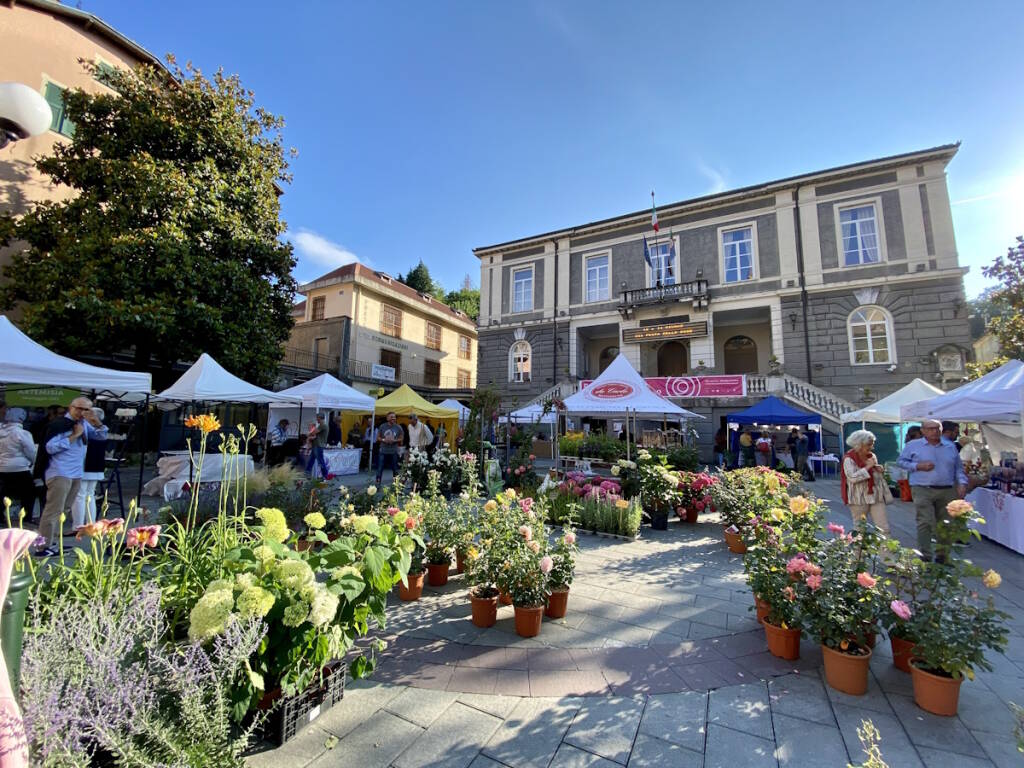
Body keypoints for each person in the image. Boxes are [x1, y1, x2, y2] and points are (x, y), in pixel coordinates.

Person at [35, 396, 107, 556]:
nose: (81, 412)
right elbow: (50, 447)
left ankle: (51, 542)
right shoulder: (60, 424)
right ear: (70, 407)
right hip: (60, 472)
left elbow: (101, 437)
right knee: (53, 510)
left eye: (86, 409)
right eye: (78, 408)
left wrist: (97, 423)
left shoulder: (84, 424)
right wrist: (74, 436)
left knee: (64, 510)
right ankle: (41, 546)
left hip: (76, 473)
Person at [897, 418, 967, 561]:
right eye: (930, 428)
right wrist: (918, 466)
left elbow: (958, 467)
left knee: (946, 524)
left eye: (937, 428)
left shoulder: (950, 446)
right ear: (922, 431)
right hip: (923, 488)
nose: (934, 431)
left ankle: (943, 556)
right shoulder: (913, 445)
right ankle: (925, 556)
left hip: (947, 489)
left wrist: (962, 483)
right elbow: (901, 462)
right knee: (925, 521)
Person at [841, 430, 892, 533]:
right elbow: (852, 478)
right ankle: (857, 549)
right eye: (869, 444)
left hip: (876, 496)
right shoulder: (849, 459)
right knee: (859, 529)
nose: (872, 447)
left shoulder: (872, 456)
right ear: (859, 444)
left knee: (884, 528)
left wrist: (878, 470)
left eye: (872, 444)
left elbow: (873, 475)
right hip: (858, 498)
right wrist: (868, 467)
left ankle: (886, 549)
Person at [72, 407, 107, 530]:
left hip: (85, 464)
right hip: (96, 464)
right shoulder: (101, 429)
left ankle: (78, 526)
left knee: (80, 495)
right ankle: (91, 523)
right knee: (90, 494)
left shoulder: (86, 427)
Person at [0, 408, 37, 523]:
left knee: (2, 494)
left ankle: (1, 518)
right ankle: (26, 518)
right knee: (28, 495)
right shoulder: (23, 433)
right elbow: (31, 451)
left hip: (2, 468)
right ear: (21, 419)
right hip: (20, 468)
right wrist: (32, 462)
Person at [376, 412, 404, 485]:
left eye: (394, 417)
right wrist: (384, 440)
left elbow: (401, 438)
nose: (393, 418)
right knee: (380, 468)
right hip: (383, 450)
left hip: (393, 451)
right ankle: (377, 485)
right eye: (391, 417)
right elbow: (378, 437)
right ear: (387, 418)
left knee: (395, 469)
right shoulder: (382, 426)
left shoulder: (398, 427)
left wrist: (394, 440)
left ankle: (396, 485)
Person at [305, 414, 329, 478]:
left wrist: (309, 433)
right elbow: (314, 434)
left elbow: (313, 433)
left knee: (320, 461)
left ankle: (325, 475)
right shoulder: (321, 426)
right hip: (316, 445)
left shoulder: (323, 426)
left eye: (317, 418)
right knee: (311, 460)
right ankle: (307, 472)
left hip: (318, 446)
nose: (317, 419)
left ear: (320, 418)